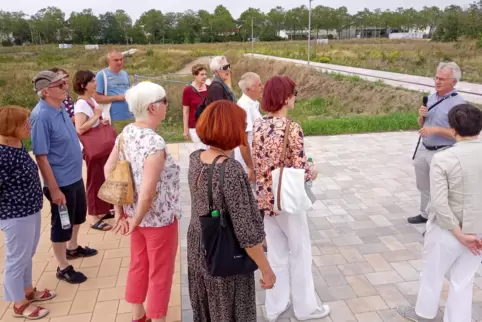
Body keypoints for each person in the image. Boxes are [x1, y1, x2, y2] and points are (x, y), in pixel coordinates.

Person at [187, 100, 276, 322]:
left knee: (207, 310)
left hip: (199, 250)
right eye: (242, 125)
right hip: (225, 257)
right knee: (230, 313)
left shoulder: (196, 158)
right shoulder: (231, 170)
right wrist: (266, 269)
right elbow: (246, 232)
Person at [252, 76, 330, 322]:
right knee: (300, 251)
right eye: (294, 93)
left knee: (276, 253)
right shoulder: (291, 128)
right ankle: (306, 308)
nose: (295, 97)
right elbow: (300, 166)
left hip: (265, 199)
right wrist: (312, 170)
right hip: (287, 199)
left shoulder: (258, 125)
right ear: (286, 97)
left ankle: (276, 306)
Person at [397, 104, 482, 322]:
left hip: (447, 231)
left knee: (432, 273)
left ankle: (424, 314)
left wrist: (459, 234)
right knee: (464, 280)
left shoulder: (444, 158)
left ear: (452, 129)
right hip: (478, 234)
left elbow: (440, 203)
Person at [105, 82, 180, 322]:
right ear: (152, 107)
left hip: (132, 216)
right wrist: (135, 220)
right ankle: (158, 318)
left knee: (138, 265)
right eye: (164, 101)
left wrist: (120, 212)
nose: (167, 105)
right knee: (160, 272)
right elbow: (147, 194)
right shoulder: (155, 144)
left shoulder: (126, 133)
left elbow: (109, 169)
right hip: (158, 220)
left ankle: (138, 316)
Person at [30, 70, 97, 285]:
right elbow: (41, 156)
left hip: (74, 176)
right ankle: (62, 266)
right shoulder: (40, 116)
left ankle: (73, 249)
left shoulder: (59, 108)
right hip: (60, 183)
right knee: (62, 223)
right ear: (46, 91)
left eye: (65, 83)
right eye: (60, 85)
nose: (65, 88)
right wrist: (54, 188)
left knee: (78, 217)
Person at [0, 106, 56, 320]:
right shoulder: (2, 154)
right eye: (24, 124)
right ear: (10, 127)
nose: (29, 126)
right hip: (14, 215)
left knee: (27, 254)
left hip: (30, 209)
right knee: (17, 258)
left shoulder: (16, 144)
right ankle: (18, 304)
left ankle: (27, 290)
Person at [407, 62, 465, 225]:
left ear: (453, 82)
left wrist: (436, 130)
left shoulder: (458, 104)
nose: (437, 82)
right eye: (436, 78)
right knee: (423, 185)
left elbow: (459, 133)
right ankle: (425, 214)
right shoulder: (431, 97)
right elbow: (422, 124)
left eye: (442, 79)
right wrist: (420, 115)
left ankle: (436, 222)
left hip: (442, 150)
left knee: (439, 189)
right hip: (423, 148)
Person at [73, 70, 114, 231]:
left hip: (100, 148)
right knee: (94, 180)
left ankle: (103, 210)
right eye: (92, 81)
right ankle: (94, 217)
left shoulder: (90, 100)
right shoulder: (81, 104)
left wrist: (100, 121)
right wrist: (97, 117)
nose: (96, 84)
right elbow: (80, 128)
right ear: (84, 85)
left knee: (103, 178)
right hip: (93, 149)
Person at [95, 49, 133, 134]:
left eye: (121, 59)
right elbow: (97, 98)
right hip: (113, 119)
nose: (119, 62)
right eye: (116, 60)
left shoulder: (125, 74)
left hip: (130, 116)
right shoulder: (101, 75)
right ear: (109, 60)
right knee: (117, 145)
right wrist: (117, 98)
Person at [233, 72, 263, 171]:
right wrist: (250, 167)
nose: (262, 87)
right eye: (259, 85)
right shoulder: (244, 106)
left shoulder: (253, 103)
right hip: (247, 163)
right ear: (248, 90)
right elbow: (243, 142)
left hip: (255, 159)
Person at [182, 64, 209, 149]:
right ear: (195, 75)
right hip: (195, 126)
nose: (204, 76)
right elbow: (185, 111)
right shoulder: (188, 90)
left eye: (205, 74)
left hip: (209, 125)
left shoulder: (210, 88)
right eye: (202, 74)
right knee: (201, 149)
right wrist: (185, 129)